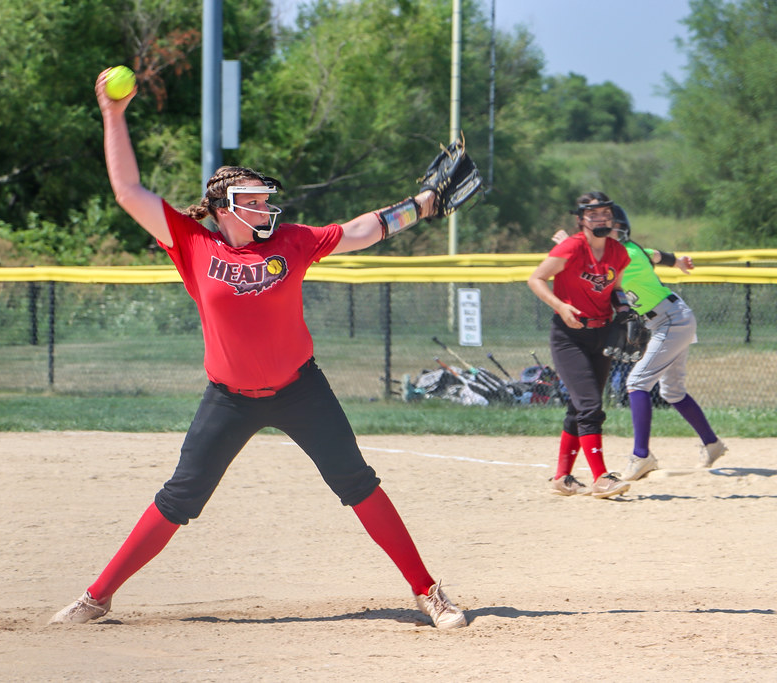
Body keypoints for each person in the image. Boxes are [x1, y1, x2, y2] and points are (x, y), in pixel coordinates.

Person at [49, 67, 467, 629]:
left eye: (265, 198)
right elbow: (128, 192)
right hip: (230, 398)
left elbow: (362, 229)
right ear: (224, 208)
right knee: (179, 499)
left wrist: (421, 205)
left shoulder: (291, 241)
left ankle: (428, 591)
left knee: (357, 484)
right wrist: (113, 115)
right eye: (253, 200)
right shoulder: (192, 242)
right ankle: (97, 596)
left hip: (300, 389)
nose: (266, 206)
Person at [592, 205, 727, 480]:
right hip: (672, 318)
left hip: (671, 320)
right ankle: (712, 444)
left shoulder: (624, 254)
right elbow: (655, 254)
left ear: (621, 230)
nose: (609, 232)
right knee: (672, 392)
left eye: (613, 227)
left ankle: (641, 456)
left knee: (637, 382)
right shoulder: (632, 250)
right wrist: (676, 260)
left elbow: (604, 282)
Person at [528, 192, 632, 499]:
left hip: (601, 334)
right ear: (580, 219)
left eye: (605, 213)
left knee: (579, 406)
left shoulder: (617, 252)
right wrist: (559, 305)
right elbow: (536, 279)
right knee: (590, 406)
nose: (601, 219)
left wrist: (624, 310)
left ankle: (562, 477)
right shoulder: (572, 247)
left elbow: (616, 289)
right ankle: (601, 477)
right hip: (569, 335)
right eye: (593, 214)